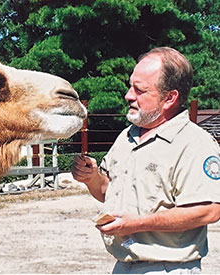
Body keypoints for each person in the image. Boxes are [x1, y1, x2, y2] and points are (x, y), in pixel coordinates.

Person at [71, 47, 220, 274]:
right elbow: (107, 192)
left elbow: (208, 210)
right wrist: (91, 177)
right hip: (124, 265)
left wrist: (137, 223)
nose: (128, 95)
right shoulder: (127, 136)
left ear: (169, 98)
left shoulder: (194, 143)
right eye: (131, 86)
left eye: (140, 90)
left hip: (169, 268)